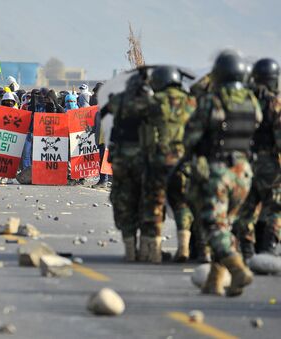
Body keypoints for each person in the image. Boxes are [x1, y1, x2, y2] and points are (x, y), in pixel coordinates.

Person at [184, 51, 261, 297]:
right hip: (244, 172)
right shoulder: (251, 100)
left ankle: (238, 269)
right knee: (226, 226)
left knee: (212, 224)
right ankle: (215, 282)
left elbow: (191, 136)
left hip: (218, 171)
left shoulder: (212, 100)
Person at [142, 66, 196, 262]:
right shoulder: (190, 102)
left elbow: (146, 134)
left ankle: (155, 252)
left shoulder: (153, 101)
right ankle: (184, 249)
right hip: (183, 161)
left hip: (158, 160)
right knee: (182, 203)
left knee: (156, 204)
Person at [232, 58, 281, 259]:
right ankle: (268, 247)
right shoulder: (275, 103)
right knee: (275, 206)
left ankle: (246, 248)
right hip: (268, 162)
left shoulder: (242, 102)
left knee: (245, 207)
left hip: (242, 161)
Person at [103, 71, 152, 262]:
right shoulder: (151, 103)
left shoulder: (120, 101)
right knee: (147, 199)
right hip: (145, 159)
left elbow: (104, 111)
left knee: (123, 200)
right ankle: (150, 250)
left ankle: (130, 249)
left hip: (122, 158)